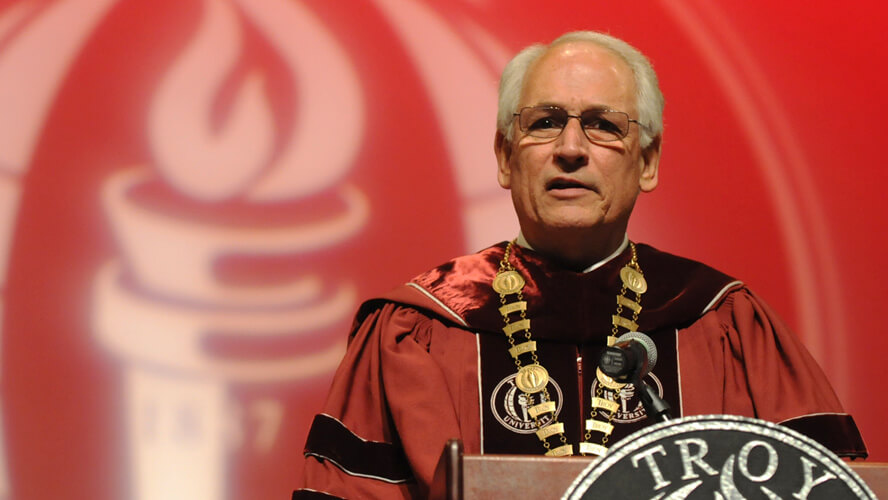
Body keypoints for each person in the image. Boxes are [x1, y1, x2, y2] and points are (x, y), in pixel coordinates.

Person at [293, 30, 866, 499]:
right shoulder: (415, 332)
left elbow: (828, 486)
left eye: (603, 124)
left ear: (647, 162)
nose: (571, 147)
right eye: (544, 122)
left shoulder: (726, 326)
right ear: (504, 156)